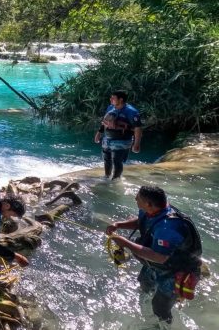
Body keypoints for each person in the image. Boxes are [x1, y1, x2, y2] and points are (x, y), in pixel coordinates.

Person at [106, 186, 202, 326]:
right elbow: (141, 221)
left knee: (160, 308)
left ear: (149, 204)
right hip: (154, 265)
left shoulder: (167, 227)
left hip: (174, 270)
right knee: (144, 286)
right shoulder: (154, 210)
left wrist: (126, 243)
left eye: (138, 198)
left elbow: (159, 256)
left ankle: (163, 326)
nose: (135, 199)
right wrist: (118, 225)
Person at [93, 89, 143, 180]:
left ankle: (115, 180)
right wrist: (99, 133)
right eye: (111, 98)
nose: (111, 100)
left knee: (117, 161)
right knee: (106, 160)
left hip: (122, 140)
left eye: (113, 98)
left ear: (121, 100)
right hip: (107, 138)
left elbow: (138, 128)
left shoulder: (131, 111)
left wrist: (136, 144)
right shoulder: (110, 107)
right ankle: (106, 177)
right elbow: (104, 121)